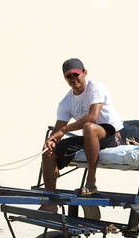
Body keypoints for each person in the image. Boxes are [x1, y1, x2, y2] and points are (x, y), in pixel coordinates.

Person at [42, 58, 123, 198]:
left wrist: (64, 130)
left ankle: (91, 182)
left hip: (111, 136)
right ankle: (50, 199)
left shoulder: (96, 88)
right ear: (65, 78)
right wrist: (52, 140)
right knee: (48, 152)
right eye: (69, 76)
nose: (73, 79)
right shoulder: (66, 101)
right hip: (89, 138)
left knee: (89, 127)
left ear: (85, 73)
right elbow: (59, 129)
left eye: (76, 74)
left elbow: (93, 117)